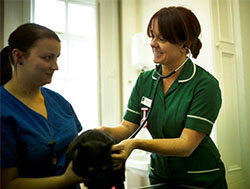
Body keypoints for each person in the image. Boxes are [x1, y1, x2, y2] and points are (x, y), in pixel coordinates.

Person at [100, 6, 228, 188]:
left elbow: (186, 145)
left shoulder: (205, 84)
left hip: (199, 179)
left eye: (162, 38)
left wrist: (135, 144)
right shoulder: (145, 80)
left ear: (185, 44)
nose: (153, 43)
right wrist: (102, 131)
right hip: (161, 176)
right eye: (152, 36)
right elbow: (128, 126)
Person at [0, 23, 87, 189]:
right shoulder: (4, 110)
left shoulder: (59, 103)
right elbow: (7, 184)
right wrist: (65, 180)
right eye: (47, 58)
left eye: (57, 58)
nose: (55, 66)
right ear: (18, 56)